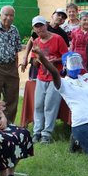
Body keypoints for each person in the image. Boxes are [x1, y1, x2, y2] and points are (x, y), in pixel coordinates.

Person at [29, 15, 69, 143]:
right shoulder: (36, 42)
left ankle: (46, 133)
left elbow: (66, 57)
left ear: (46, 25)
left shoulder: (58, 39)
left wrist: (54, 60)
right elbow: (34, 62)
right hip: (41, 77)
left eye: (41, 25)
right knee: (38, 105)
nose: (39, 28)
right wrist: (37, 59)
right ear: (34, 29)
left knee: (50, 106)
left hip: (55, 77)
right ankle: (36, 132)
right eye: (37, 26)